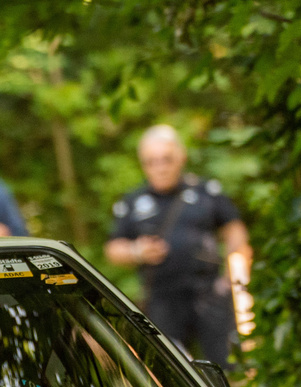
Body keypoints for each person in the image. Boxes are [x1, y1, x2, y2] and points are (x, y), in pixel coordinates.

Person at [104, 125, 253, 372]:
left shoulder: (206, 191)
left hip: (210, 294)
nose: (160, 167)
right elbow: (113, 249)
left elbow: (235, 230)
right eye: (152, 161)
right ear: (143, 164)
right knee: (171, 372)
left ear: (181, 157)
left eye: (166, 159)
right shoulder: (133, 201)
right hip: (163, 299)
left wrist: (234, 273)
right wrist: (137, 251)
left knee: (228, 367)